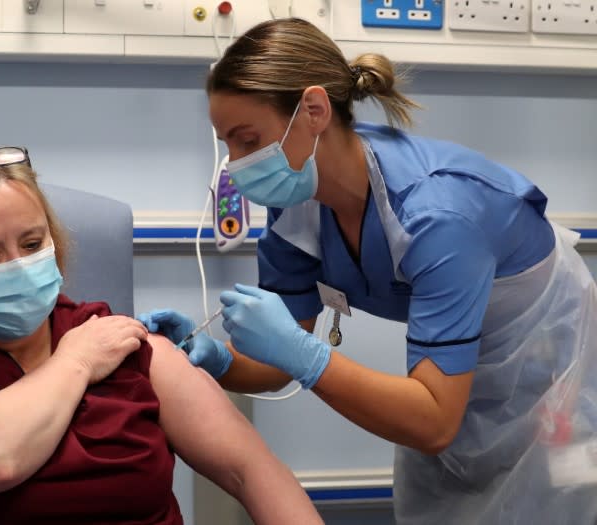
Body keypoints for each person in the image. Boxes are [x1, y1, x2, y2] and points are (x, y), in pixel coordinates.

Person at [139, 18, 597, 525]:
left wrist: (308, 357)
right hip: (451, 371)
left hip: (547, 353)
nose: (237, 164)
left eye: (248, 140)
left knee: (542, 501)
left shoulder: (435, 217)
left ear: (313, 111)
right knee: (442, 498)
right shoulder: (298, 202)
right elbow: (276, 362)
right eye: (227, 144)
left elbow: (432, 422)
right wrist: (215, 359)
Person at [0, 146, 324, 525]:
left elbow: (252, 472)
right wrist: (76, 363)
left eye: (33, 244)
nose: (18, 264)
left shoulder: (114, 341)